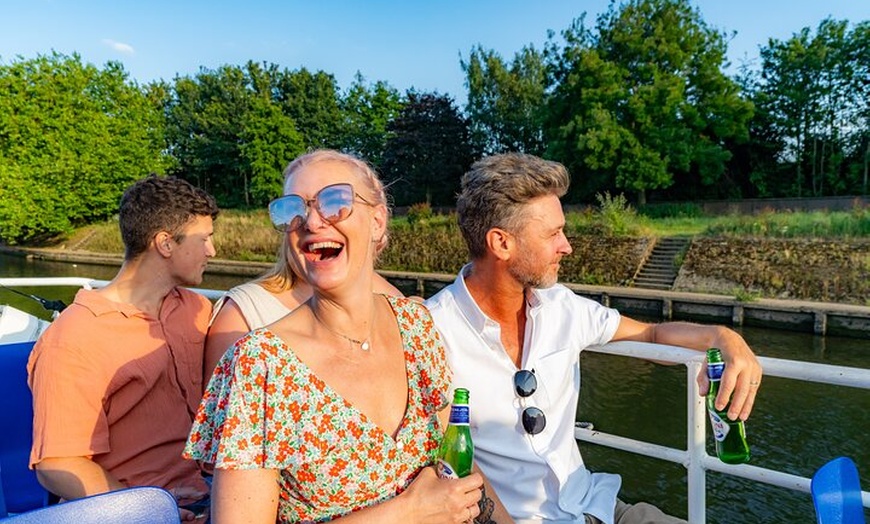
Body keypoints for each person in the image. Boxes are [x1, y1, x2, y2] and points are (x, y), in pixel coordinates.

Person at [424, 153, 763, 524]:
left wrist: (724, 337)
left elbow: (651, 333)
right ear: (501, 243)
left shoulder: (561, 307)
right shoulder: (432, 332)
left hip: (594, 506)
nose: (566, 246)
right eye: (553, 233)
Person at [184, 150, 513, 523]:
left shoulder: (416, 327)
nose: (311, 220)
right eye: (294, 209)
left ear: (377, 221)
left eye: (335, 201)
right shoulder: (260, 366)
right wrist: (406, 513)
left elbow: (461, 469)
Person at [27, 175, 219, 521]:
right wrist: (154, 509)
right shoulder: (74, 339)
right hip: (139, 510)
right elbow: (57, 465)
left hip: (211, 491)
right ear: (165, 243)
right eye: (204, 239)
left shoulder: (196, 310)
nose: (212, 251)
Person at [204, 233, 403, 380]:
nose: (316, 226)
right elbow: (222, 423)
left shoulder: (391, 301)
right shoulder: (244, 311)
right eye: (300, 214)